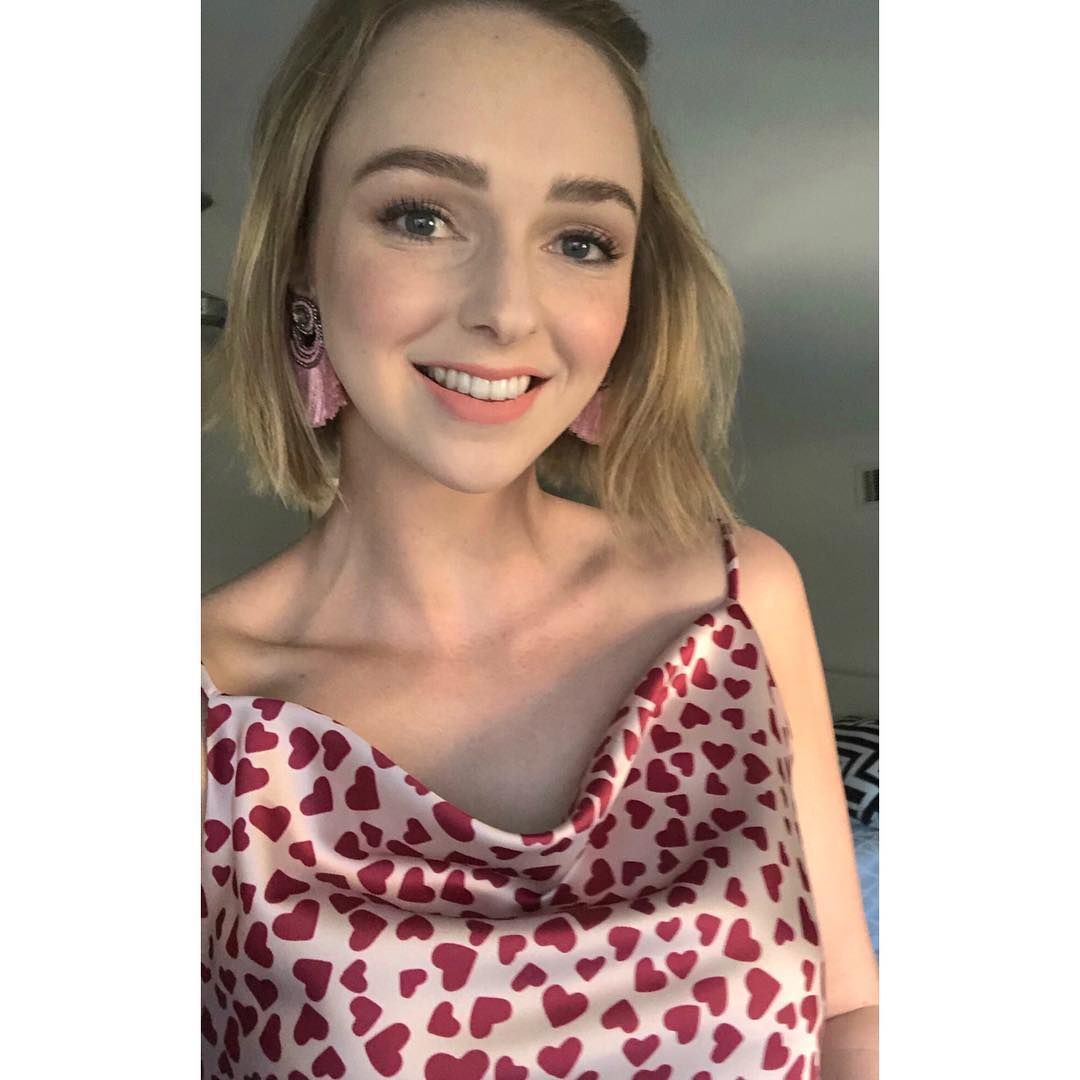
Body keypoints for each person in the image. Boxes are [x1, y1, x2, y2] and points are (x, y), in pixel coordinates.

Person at [200, 1, 879, 1076]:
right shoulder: (201, 711)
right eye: (422, 217)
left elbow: (848, 1015)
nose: (510, 310)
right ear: (300, 260)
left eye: (581, 241)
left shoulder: (739, 596)